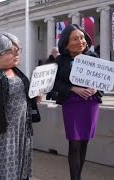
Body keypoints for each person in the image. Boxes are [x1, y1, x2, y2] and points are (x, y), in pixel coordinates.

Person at [0, 33, 40, 180]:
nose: (17, 54)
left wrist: (35, 97)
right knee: (6, 164)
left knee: (22, 164)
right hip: (5, 130)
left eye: (18, 50)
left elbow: (27, 96)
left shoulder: (19, 72)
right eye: (13, 51)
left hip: (23, 128)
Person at [53, 24, 103, 180]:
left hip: (90, 103)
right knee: (74, 143)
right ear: (66, 43)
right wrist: (73, 89)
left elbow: (103, 79)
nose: (80, 41)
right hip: (72, 104)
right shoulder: (60, 60)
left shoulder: (93, 57)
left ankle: (78, 176)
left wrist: (95, 88)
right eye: (75, 38)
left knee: (84, 142)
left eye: (82, 37)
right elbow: (55, 84)